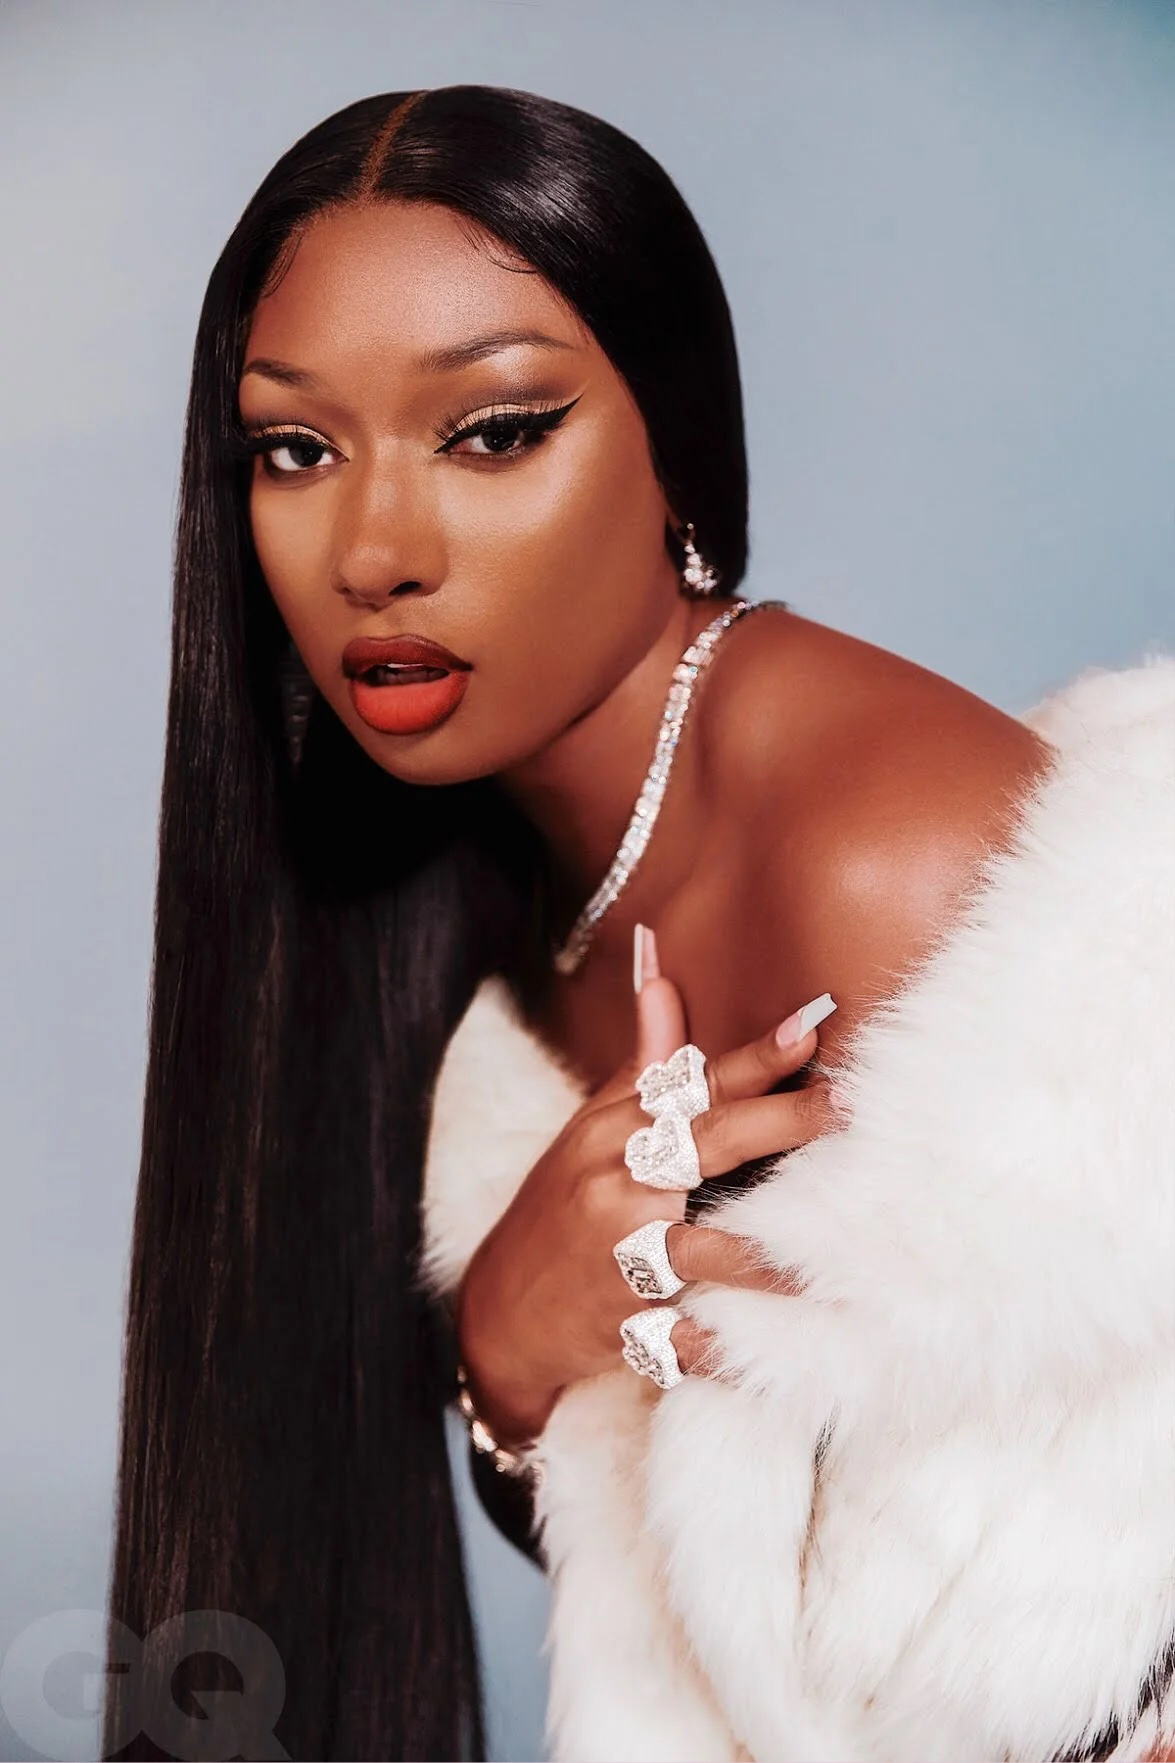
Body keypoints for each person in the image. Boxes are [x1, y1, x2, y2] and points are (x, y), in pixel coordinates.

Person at [102, 83, 1175, 1763]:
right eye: (297, 450)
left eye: (491, 432)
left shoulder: (889, 866)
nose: (373, 550)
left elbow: (1070, 1658)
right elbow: (762, 1597)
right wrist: (507, 1350)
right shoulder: (497, 893)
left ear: (673, 448)